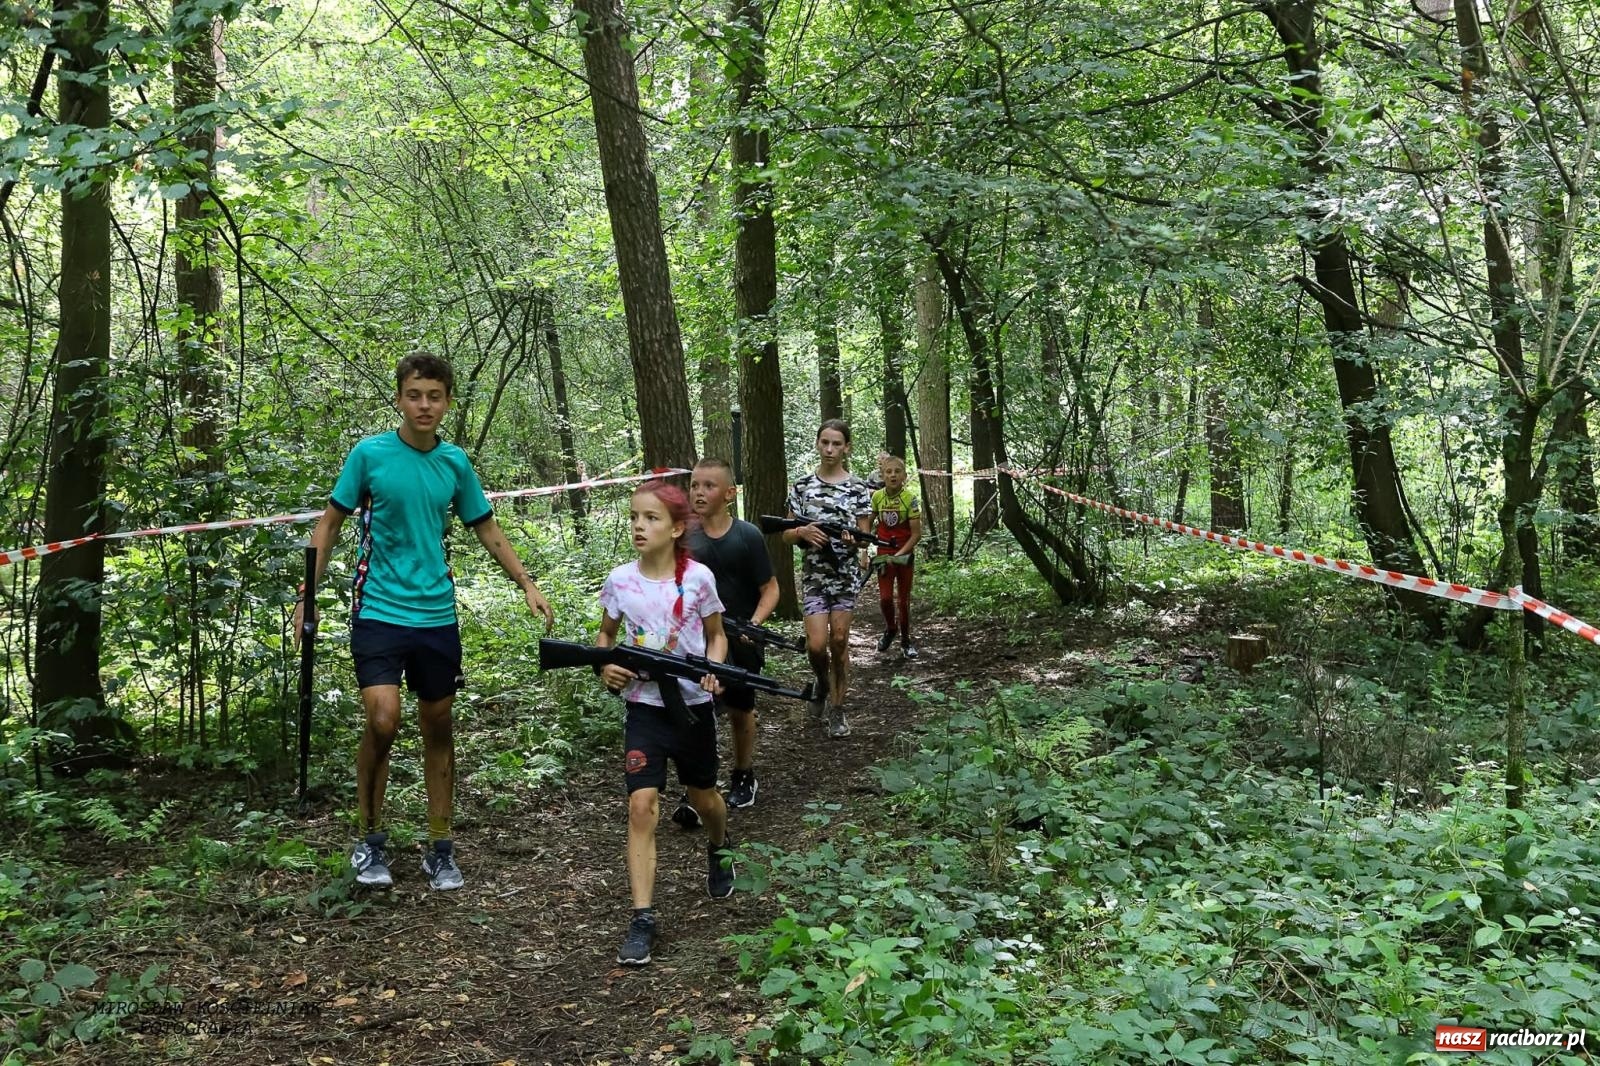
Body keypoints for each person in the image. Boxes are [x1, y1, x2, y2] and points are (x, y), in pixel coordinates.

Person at [295, 352, 555, 892]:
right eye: (415, 395)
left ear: (447, 403)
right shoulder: (369, 456)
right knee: (384, 720)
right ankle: (369, 840)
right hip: (379, 611)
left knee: (438, 726)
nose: (424, 405)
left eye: (434, 396)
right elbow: (330, 526)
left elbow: (487, 527)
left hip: (436, 615)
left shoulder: (454, 463)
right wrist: (307, 596)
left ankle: (441, 846)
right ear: (399, 398)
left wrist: (526, 582)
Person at [596, 480, 738, 966]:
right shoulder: (619, 580)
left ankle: (719, 847)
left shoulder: (698, 578)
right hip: (644, 708)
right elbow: (606, 636)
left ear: (677, 528)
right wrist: (604, 666)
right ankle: (642, 918)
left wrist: (714, 670)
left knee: (705, 798)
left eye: (652, 518)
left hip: (693, 707)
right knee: (641, 804)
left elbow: (716, 637)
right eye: (635, 516)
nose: (639, 525)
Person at [666, 458, 779, 823]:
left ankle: (744, 773)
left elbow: (771, 589)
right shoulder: (682, 537)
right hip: (696, 641)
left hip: (742, 639)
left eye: (708, 486)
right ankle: (697, 788)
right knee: (698, 708)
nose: (699, 492)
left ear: (729, 493)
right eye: (695, 485)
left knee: (740, 708)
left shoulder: (747, 536)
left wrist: (754, 624)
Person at [780, 419, 873, 739]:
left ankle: (837, 708)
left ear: (847, 448)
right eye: (825, 442)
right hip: (815, 577)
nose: (830, 449)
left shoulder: (859, 487)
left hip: (845, 576)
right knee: (817, 646)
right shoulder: (802, 486)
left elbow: (865, 536)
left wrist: (854, 541)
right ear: (818, 444)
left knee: (839, 640)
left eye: (837, 444)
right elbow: (785, 535)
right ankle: (822, 681)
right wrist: (802, 531)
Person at [871, 455, 922, 659]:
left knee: (903, 600)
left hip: (904, 555)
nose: (893, 475)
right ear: (882, 475)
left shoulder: (910, 499)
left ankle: (906, 640)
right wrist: (864, 550)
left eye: (897, 471)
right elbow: (867, 525)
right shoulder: (876, 497)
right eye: (888, 472)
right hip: (883, 554)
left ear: (904, 476)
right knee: (885, 599)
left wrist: (899, 554)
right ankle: (891, 629)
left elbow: (916, 534)